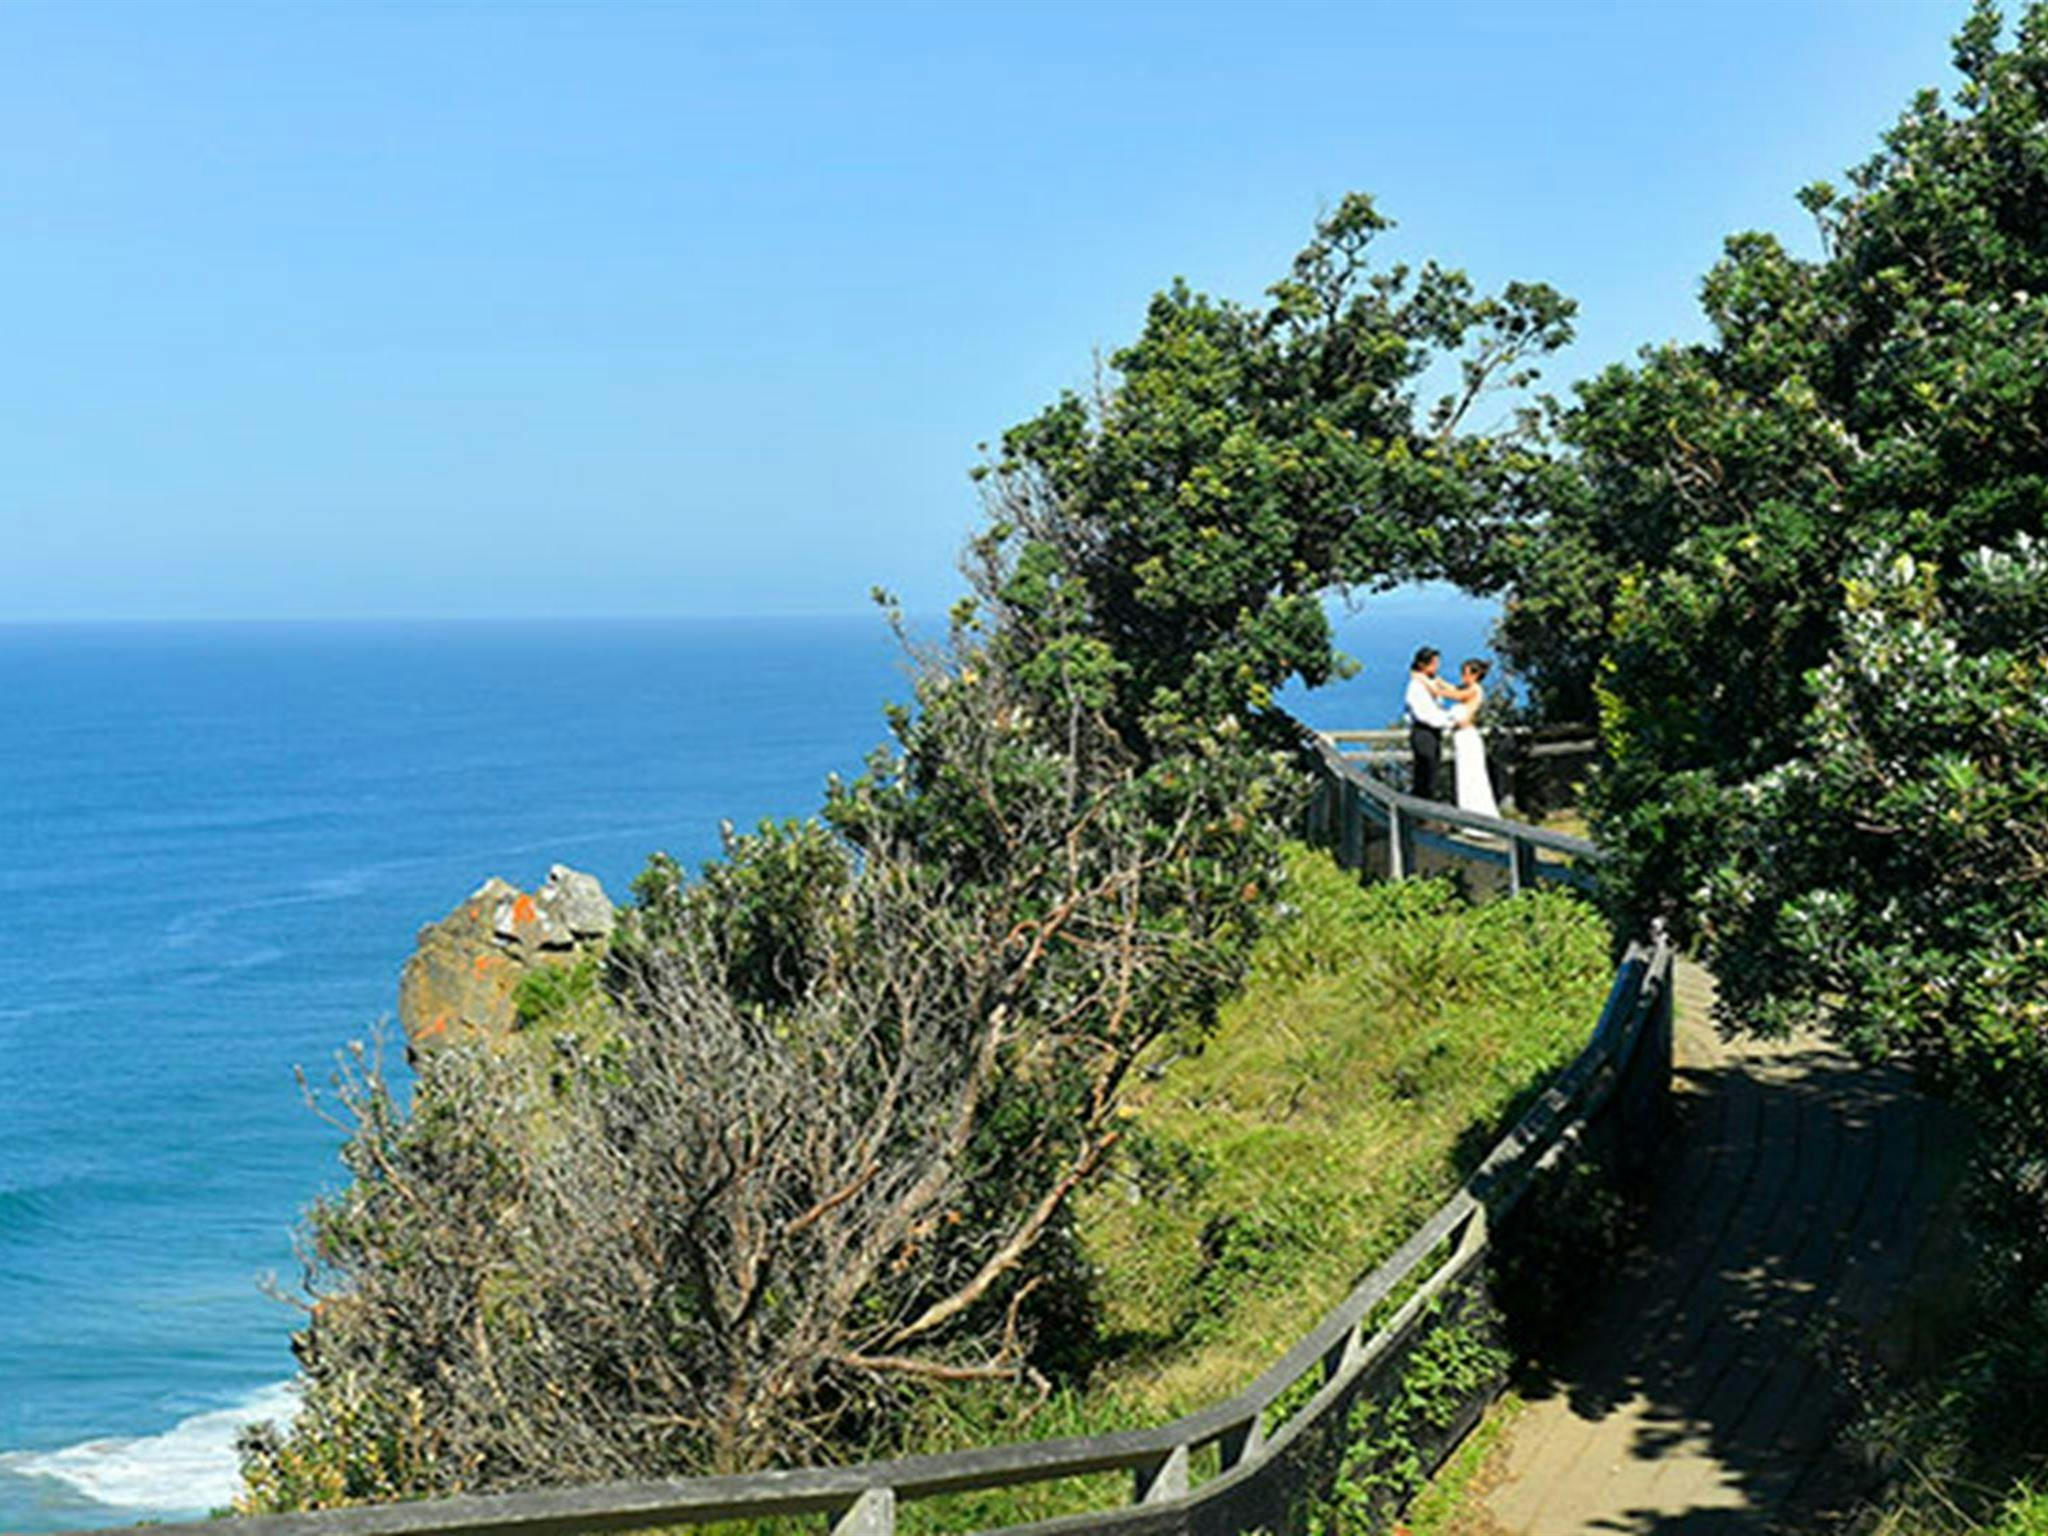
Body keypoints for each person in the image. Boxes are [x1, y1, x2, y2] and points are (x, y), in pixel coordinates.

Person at [1438, 658, 1501, 818]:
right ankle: (1469, 815)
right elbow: (1452, 688)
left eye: (1465, 673)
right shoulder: (1469, 689)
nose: (1462, 677)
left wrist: (1431, 686)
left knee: (1473, 777)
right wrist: (1436, 680)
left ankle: (1480, 815)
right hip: (1461, 737)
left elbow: (1454, 694)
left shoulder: (1474, 690)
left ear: (1475, 675)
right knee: (1465, 777)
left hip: (1468, 737)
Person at [1402, 647, 1459, 800]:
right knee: (1425, 772)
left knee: (1432, 772)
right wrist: (1448, 721)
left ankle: (1425, 809)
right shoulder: (1416, 687)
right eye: (1434, 663)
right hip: (1423, 732)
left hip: (1433, 732)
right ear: (1422, 665)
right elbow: (1423, 714)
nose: (1437, 666)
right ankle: (1420, 810)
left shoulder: (1431, 682)